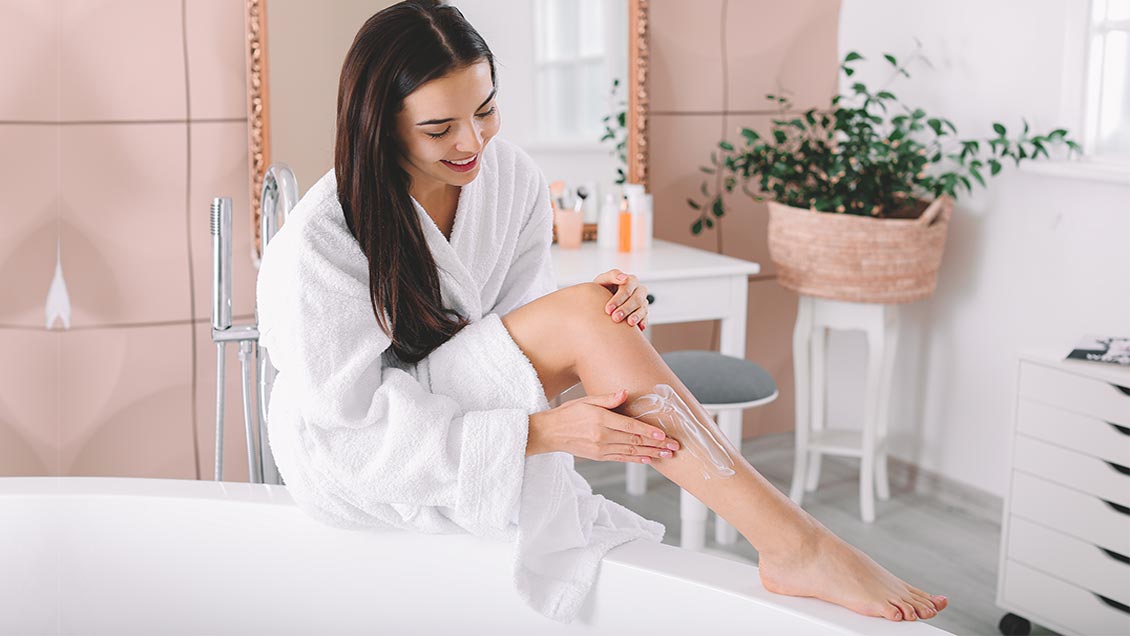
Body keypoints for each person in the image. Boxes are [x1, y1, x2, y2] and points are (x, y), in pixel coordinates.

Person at [255, 0, 948, 625]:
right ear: (381, 125)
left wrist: (602, 318)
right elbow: (351, 434)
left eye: (486, 110)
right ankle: (796, 544)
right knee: (589, 317)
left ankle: (794, 543)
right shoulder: (321, 237)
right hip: (359, 457)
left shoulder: (513, 180)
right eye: (439, 128)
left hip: (459, 409)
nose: (472, 144)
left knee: (598, 312)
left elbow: (521, 336)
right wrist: (538, 433)